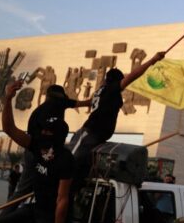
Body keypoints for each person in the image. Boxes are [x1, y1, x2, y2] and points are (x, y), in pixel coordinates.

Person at [0, 79, 74, 223]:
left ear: (57, 137)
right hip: (35, 209)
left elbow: (62, 199)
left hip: (50, 218)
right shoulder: (36, 146)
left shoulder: (66, 159)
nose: (42, 132)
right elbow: (9, 129)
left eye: (47, 131)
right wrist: (7, 99)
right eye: (42, 129)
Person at [68, 50, 166, 188]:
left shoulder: (101, 91)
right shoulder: (110, 88)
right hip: (89, 134)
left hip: (95, 136)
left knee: (82, 169)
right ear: (116, 81)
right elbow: (133, 76)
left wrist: (73, 104)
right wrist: (153, 60)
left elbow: (89, 102)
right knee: (70, 166)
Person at [2, 84, 84, 217]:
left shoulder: (42, 110)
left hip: (36, 151)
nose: (46, 131)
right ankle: (2, 221)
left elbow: (9, 128)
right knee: (24, 191)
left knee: (23, 191)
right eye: (44, 130)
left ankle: (2, 221)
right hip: (38, 152)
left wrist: (8, 99)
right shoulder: (58, 104)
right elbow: (9, 128)